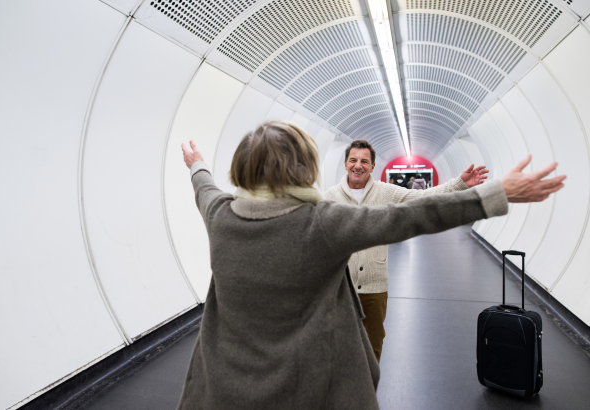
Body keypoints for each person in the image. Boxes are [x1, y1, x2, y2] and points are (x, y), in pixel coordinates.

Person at [178, 120, 564, 409]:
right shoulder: (322, 221)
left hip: (223, 388)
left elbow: (205, 189)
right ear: (303, 169)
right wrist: (495, 194)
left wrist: (197, 164)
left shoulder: (220, 216)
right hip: (308, 386)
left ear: (242, 169)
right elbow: (415, 216)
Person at [324, 140, 488, 362]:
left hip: (374, 289)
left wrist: (459, 184)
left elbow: (423, 199)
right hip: (340, 289)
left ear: (373, 166)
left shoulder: (385, 192)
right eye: (353, 160)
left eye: (364, 161)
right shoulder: (330, 197)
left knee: (372, 348)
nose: (358, 165)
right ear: (345, 164)